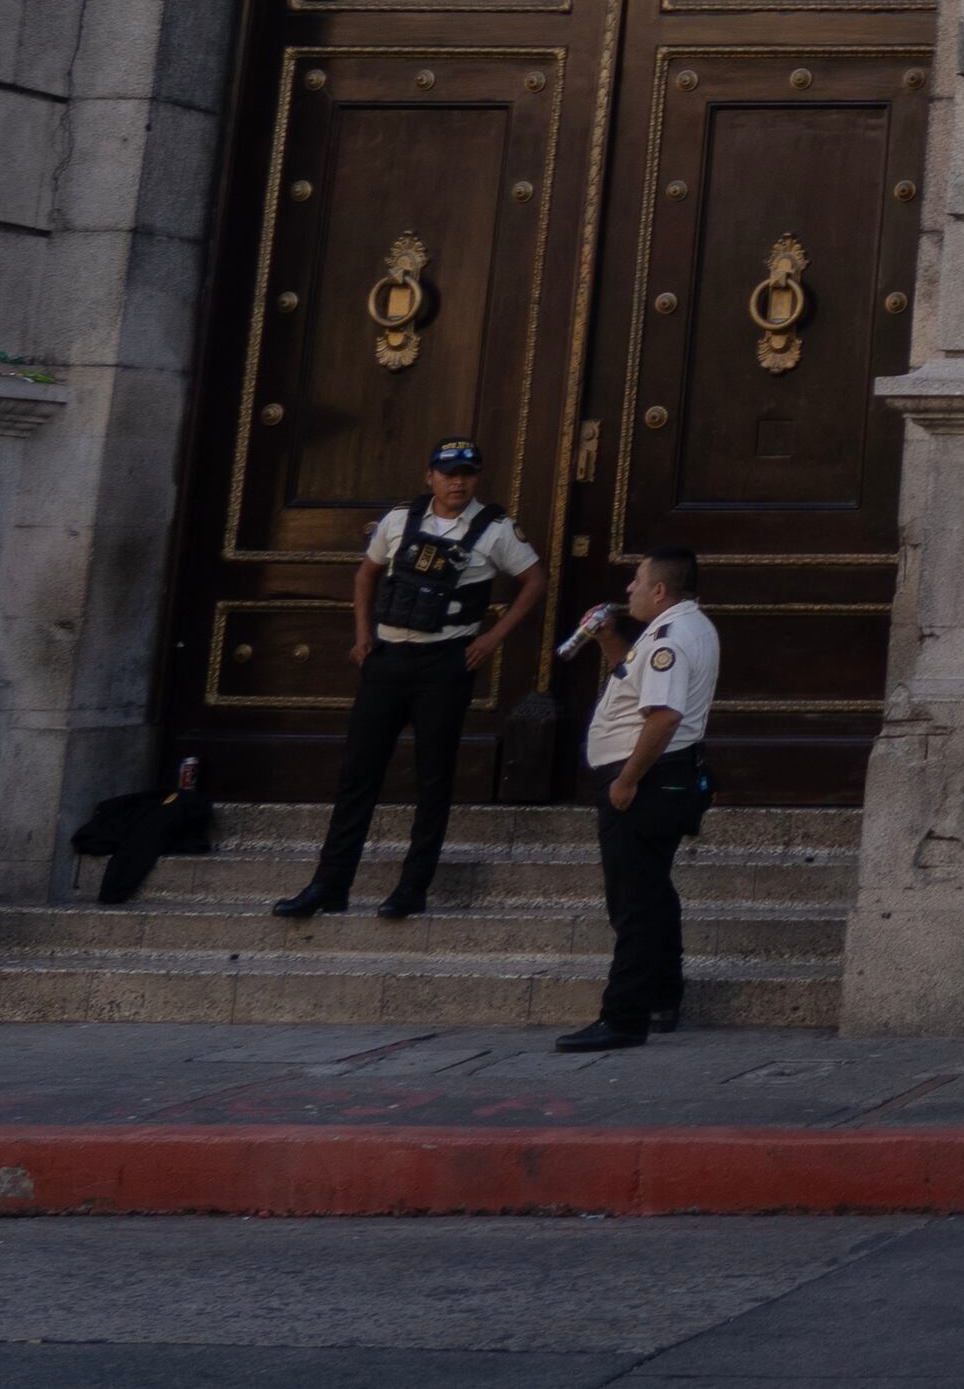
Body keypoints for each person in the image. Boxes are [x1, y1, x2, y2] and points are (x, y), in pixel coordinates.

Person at [275, 437, 542, 921]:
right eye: (448, 472)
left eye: (466, 473)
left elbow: (534, 581)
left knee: (432, 779)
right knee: (359, 775)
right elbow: (366, 575)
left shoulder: (495, 529)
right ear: (430, 476)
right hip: (388, 660)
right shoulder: (400, 520)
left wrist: (491, 639)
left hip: (445, 664)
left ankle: (411, 888)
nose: (457, 481)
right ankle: (329, 885)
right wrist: (362, 636)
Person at [549, 546, 717, 1054]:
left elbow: (663, 716)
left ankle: (623, 1017)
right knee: (652, 891)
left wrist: (626, 781)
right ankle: (662, 997)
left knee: (633, 902)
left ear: (660, 589)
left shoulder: (669, 638)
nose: (629, 589)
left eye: (637, 580)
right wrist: (607, 640)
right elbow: (638, 680)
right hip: (663, 779)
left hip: (645, 782)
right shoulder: (685, 627)